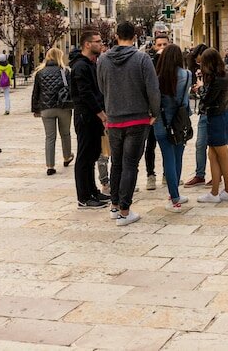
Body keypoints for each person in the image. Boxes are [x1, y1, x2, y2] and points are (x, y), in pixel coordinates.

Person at [97, 22, 161, 226]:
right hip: (137, 117)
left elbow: (101, 86)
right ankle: (125, 210)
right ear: (134, 36)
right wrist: (155, 112)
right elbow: (153, 88)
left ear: (116, 36)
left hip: (114, 118)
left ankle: (115, 206)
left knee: (117, 162)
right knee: (130, 164)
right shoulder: (142, 58)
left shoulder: (103, 60)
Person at [195, 48, 228, 203]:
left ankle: (227, 190)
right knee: (213, 155)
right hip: (223, 115)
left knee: (222, 156)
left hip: (216, 118)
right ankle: (214, 192)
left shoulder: (217, 79)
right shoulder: (226, 73)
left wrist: (201, 87)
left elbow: (207, 99)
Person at [70, 31, 110, 209]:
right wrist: (101, 113)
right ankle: (84, 197)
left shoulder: (91, 64)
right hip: (85, 116)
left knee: (93, 155)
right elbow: (85, 93)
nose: (101, 44)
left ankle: (93, 191)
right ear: (87, 44)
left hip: (93, 117)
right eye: (97, 41)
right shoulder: (80, 66)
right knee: (84, 157)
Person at [155, 44, 191, 212]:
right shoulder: (187, 75)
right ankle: (174, 193)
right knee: (178, 157)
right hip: (179, 123)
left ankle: (174, 196)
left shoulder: (157, 77)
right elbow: (185, 103)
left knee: (168, 159)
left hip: (161, 123)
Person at [32, 47, 74, 176]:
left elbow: (36, 93)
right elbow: (71, 89)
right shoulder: (65, 71)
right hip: (63, 107)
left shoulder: (40, 72)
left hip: (46, 109)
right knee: (65, 134)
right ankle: (67, 157)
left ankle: (50, 165)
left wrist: (35, 109)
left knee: (50, 137)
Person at [140, 34, 168, 191]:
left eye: (165, 44)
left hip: (167, 112)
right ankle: (151, 175)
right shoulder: (149, 64)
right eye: (159, 45)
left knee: (167, 145)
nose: (162, 48)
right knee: (150, 145)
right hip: (151, 112)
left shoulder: (174, 65)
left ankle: (167, 174)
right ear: (154, 47)